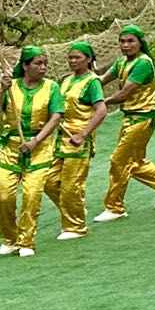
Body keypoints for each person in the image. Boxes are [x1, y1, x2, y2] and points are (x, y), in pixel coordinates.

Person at [0, 46, 64, 256]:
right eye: (38, 63)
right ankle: (9, 238)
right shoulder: (10, 87)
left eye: (45, 64)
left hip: (39, 148)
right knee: (4, 196)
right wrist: (0, 91)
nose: (43, 68)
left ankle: (26, 241)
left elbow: (56, 116)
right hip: (10, 149)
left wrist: (36, 140)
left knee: (32, 195)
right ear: (25, 66)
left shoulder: (51, 87)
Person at [95, 25, 155, 221]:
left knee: (118, 160)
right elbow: (101, 81)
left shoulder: (143, 64)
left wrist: (101, 103)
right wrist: (84, 82)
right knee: (134, 162)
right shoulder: (122, 62)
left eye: (130, 41)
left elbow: (124, 94)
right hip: (130, 117)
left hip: (143, 117)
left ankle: (115, 207)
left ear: (140, 43)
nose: (125, 45)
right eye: (122, 41)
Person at [42, 41, 110, 241]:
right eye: (70, 58)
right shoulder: (65, 81)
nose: (72, 61)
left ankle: (75, 226)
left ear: (88, 60)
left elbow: (102, 110)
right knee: (48, 181)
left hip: (78, 141)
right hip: (61, 139)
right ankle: (75, 209)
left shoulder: (92, 82)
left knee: (71, 185)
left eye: (77, 57)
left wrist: (83, 134)